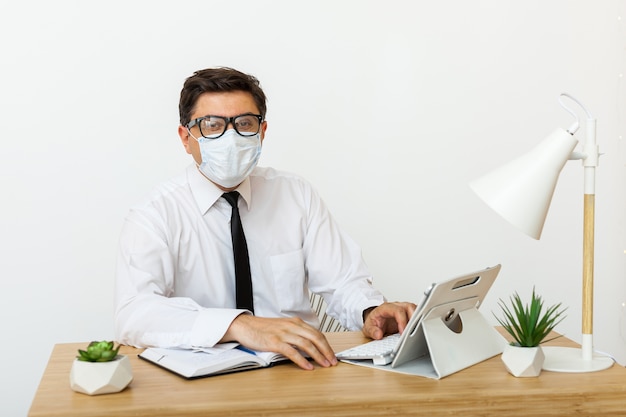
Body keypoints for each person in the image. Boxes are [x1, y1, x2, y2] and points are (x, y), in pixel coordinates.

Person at [114, 67, 416, 370]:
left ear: (262, 131)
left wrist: (370, 310)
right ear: (185, 137)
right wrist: (238, 325)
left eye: (244, 123)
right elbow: (135, 312)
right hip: (200, 378)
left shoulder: (295, 194)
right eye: (212, 125)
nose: (230, 137)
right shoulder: (154, 215)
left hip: (299, 368)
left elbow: (342, 282)